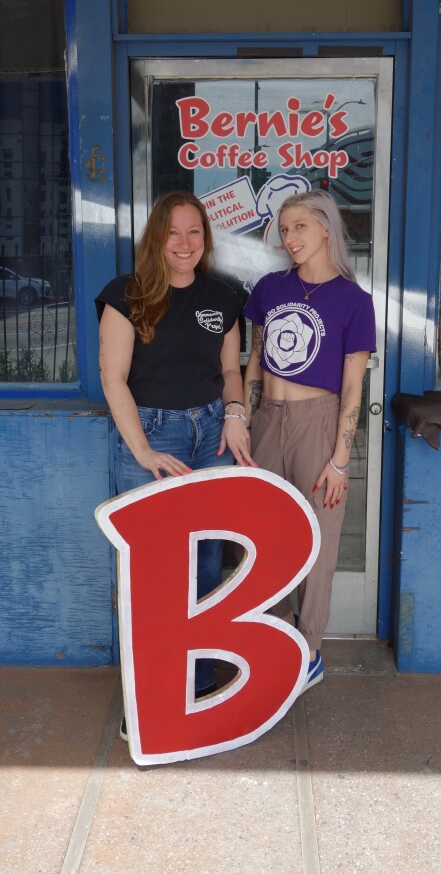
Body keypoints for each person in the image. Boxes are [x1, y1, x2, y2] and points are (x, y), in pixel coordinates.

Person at [95, 189, 254, 716]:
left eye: (195, 232)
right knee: (149, 567)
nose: (184, 243)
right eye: (173, 233)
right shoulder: (127, 295)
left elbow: (231, 371)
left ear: (205, 239)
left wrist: (235, 418)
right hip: (152, 432)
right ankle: (144, 697)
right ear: (156, 239)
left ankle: (199, 684)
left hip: (211, 433)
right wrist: (141, 451)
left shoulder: (223, 296)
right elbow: (112, 378)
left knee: (207, 557)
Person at [243, 189, 376, 693]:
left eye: (300, 226)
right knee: (264, 535)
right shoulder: (270, 287)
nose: (290, 236)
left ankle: (310, 649)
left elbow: (352, 388)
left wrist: (340, 458)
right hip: (266, 419)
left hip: (318, 421)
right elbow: (255, 357)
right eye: (284, 227)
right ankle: (270, 640)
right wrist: (249, 414)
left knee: (317, 539)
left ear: (326, 229)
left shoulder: (353, 301)